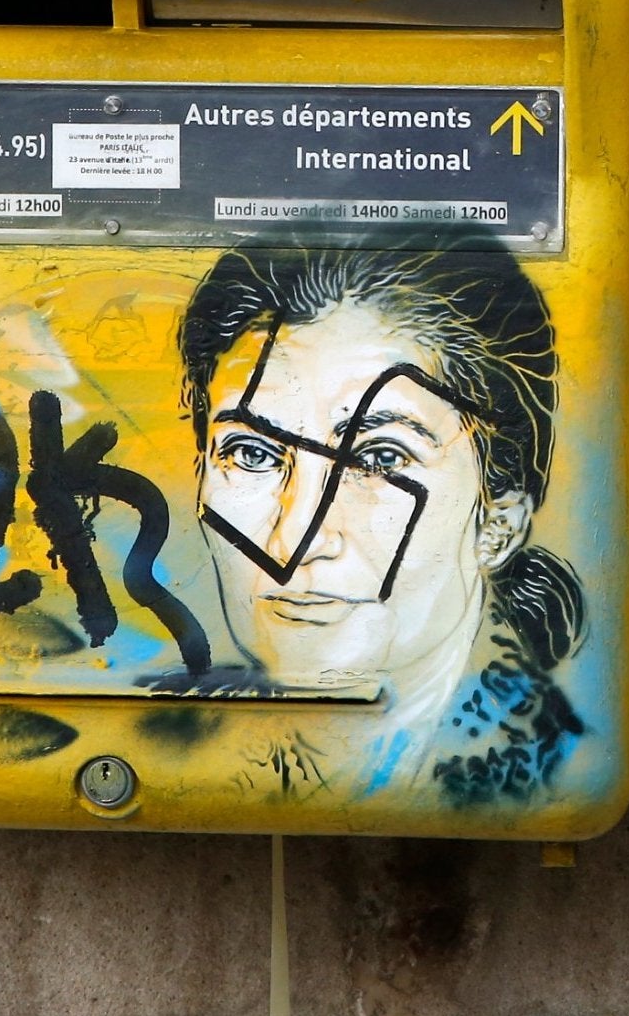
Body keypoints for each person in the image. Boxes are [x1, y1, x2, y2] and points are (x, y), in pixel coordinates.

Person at [177, 237, 584, 801]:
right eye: (252, 454)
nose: (297, 538)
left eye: (379, 459)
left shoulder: (555, 778)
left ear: (499, 522)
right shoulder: (176, 753)